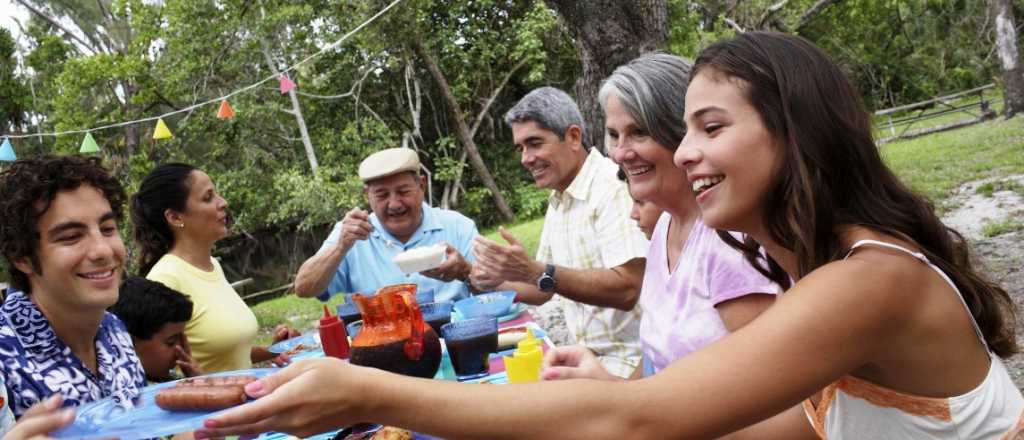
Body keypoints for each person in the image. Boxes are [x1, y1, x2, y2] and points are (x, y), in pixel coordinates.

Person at [195, 32, 1023, 439]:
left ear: (796, 132)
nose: (683, 151)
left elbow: (646, 420)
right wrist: (597, 396)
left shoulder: (867, 280)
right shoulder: (815, 272)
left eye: (708, 127)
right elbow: (755, 425)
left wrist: (370, 391)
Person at [543, 53, 779, 382]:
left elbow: (771, 389)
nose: (621, 152)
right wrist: (604, 383)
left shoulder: (729, 238)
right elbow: (657, 372)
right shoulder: (666, 226)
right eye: (613, 134)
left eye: (639, 132)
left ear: (680, 134)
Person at [471, 87, 649, 378]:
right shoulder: (560, 199)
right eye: (521, 148)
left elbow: (628, 288)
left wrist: (538, 272)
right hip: (585, 361)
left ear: (573, 137)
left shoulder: (611, 187)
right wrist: (478, 275)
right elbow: (541, 290)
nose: (526, 159)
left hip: (631, 367)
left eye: (534, 143)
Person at [0, 155, 146, 419]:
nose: (102, 250)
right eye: (71, 237)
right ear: (21, 257)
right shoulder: (5, 359)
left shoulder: (114, 330)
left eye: (108, 228)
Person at [131, 163, 297, 373]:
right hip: (217, 404)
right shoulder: (166, 279)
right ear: (175, 217)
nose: (223, 202)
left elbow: (223, 354)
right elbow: (159, 372)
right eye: (208, 197)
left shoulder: (213, 266)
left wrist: (275, 349)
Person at [293, 147, 480, 304]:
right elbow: (303, 288)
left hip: (451, 337)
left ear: (421, 186)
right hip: (380, 341)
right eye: (382, 195)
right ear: (367, 195)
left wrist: (465, 271)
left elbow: (497, 293)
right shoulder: (350, 233)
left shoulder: (458, 226)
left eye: (403, 191)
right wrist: (340, 248)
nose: (394, 204)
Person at [110, 277, 203, 382]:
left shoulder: (171, 378)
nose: (181, 350)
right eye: (171, 342)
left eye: (182, 338)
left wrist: (197, 380)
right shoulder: (123, 393)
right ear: (128, 344)